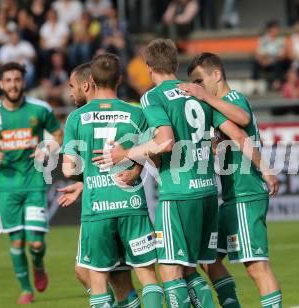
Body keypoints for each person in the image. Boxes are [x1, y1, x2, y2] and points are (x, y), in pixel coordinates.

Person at [94, 39, 280, 308]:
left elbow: (165, 141)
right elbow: (237, 132)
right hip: (208, 193)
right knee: (194, 266)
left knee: (170, 271)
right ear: (176, 64)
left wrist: (127, 155)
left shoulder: (153, 96)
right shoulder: (196, 93)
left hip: (178, 194)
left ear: (148, 67)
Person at [179, 52, 282, 308]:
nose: (198, 87)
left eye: (200, 80)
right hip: (230, 196)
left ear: (216, 74)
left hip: (246, 193)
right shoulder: (216, 108)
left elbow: (243, 120)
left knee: (256, 267)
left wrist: (266, 169)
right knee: (209, 260)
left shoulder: (232, 98)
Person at [61, 53, 163, 308]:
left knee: (97, 279)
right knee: (148, 277)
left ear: (92, 80)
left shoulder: (76, 118)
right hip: (132, 206)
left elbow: (67, 168)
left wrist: (84, 175)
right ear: (119, 79)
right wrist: (136, 167)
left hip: (98, 209)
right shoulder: (136, 112)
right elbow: (154, 149)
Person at [0, 62, 63, 304]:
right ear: (1, 84)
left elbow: (58, 134)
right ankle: (26, 290)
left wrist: (46, 149)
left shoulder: (40, 109)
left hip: (34, 183)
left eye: (17, 79)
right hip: (6, 187)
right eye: (9, 80)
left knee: (36, 243)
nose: (13, 84)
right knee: (17, 241)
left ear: (23, 82)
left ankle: (38, 264)